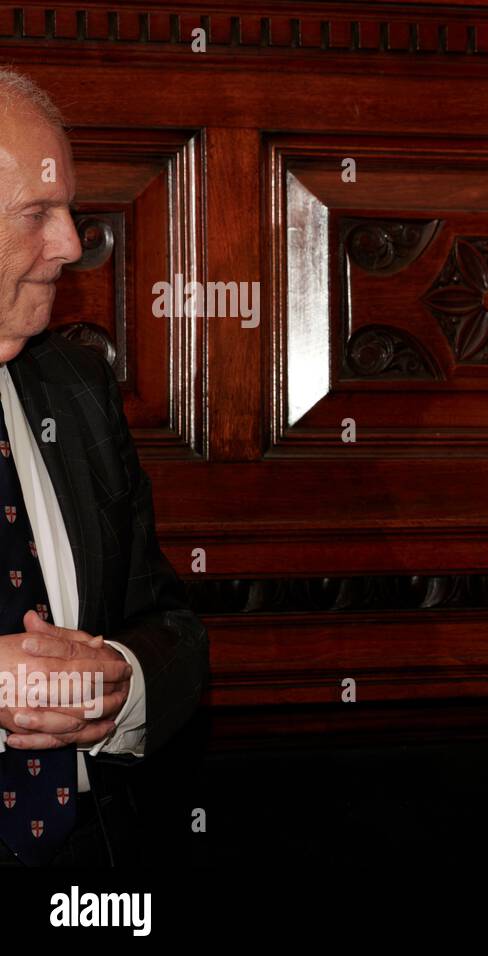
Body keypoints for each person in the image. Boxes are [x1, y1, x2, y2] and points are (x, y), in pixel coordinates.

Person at [0, 69, 208, 866]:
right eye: (39, 214)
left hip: (94, 861)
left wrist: (122, 681)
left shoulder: (78, 387)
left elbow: (172, 626)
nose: (70, 241)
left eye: (69, 209)